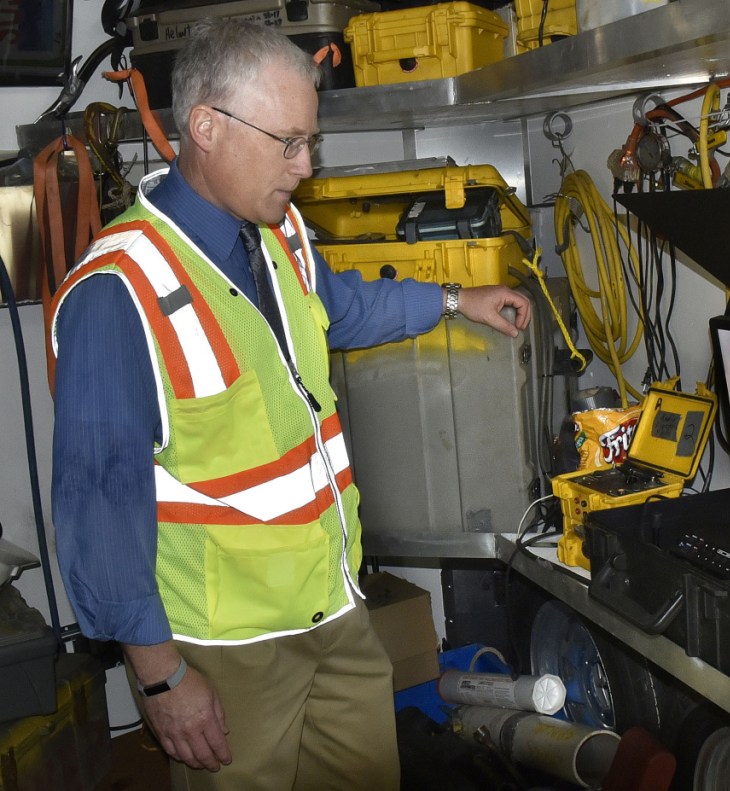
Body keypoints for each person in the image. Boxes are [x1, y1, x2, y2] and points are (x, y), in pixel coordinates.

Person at [49, 17, 530, 791]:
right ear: (205, 126)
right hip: (229, 649)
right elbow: (97, 504)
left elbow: (342, 308)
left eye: (312, 142)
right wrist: (161, 677)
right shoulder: (119, 292)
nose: (305, 166)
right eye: (289, 143)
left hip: (335, 610)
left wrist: (454, 298)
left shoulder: (279, 237)